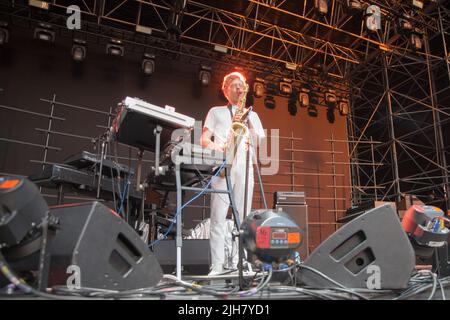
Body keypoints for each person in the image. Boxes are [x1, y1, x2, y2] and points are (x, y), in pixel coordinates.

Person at [200, 71, 265, 275]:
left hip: (244, 165)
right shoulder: (216, 112)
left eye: (241, 85)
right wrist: (216, 148)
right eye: (234, 85)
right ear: (226, 90)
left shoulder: (252, 114)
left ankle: (241, 263)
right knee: (218, 217)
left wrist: (248, 122)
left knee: (244, 218)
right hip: (223, 164)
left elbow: (260, 141)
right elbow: (204, 139)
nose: (238, 88)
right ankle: (217, 265)